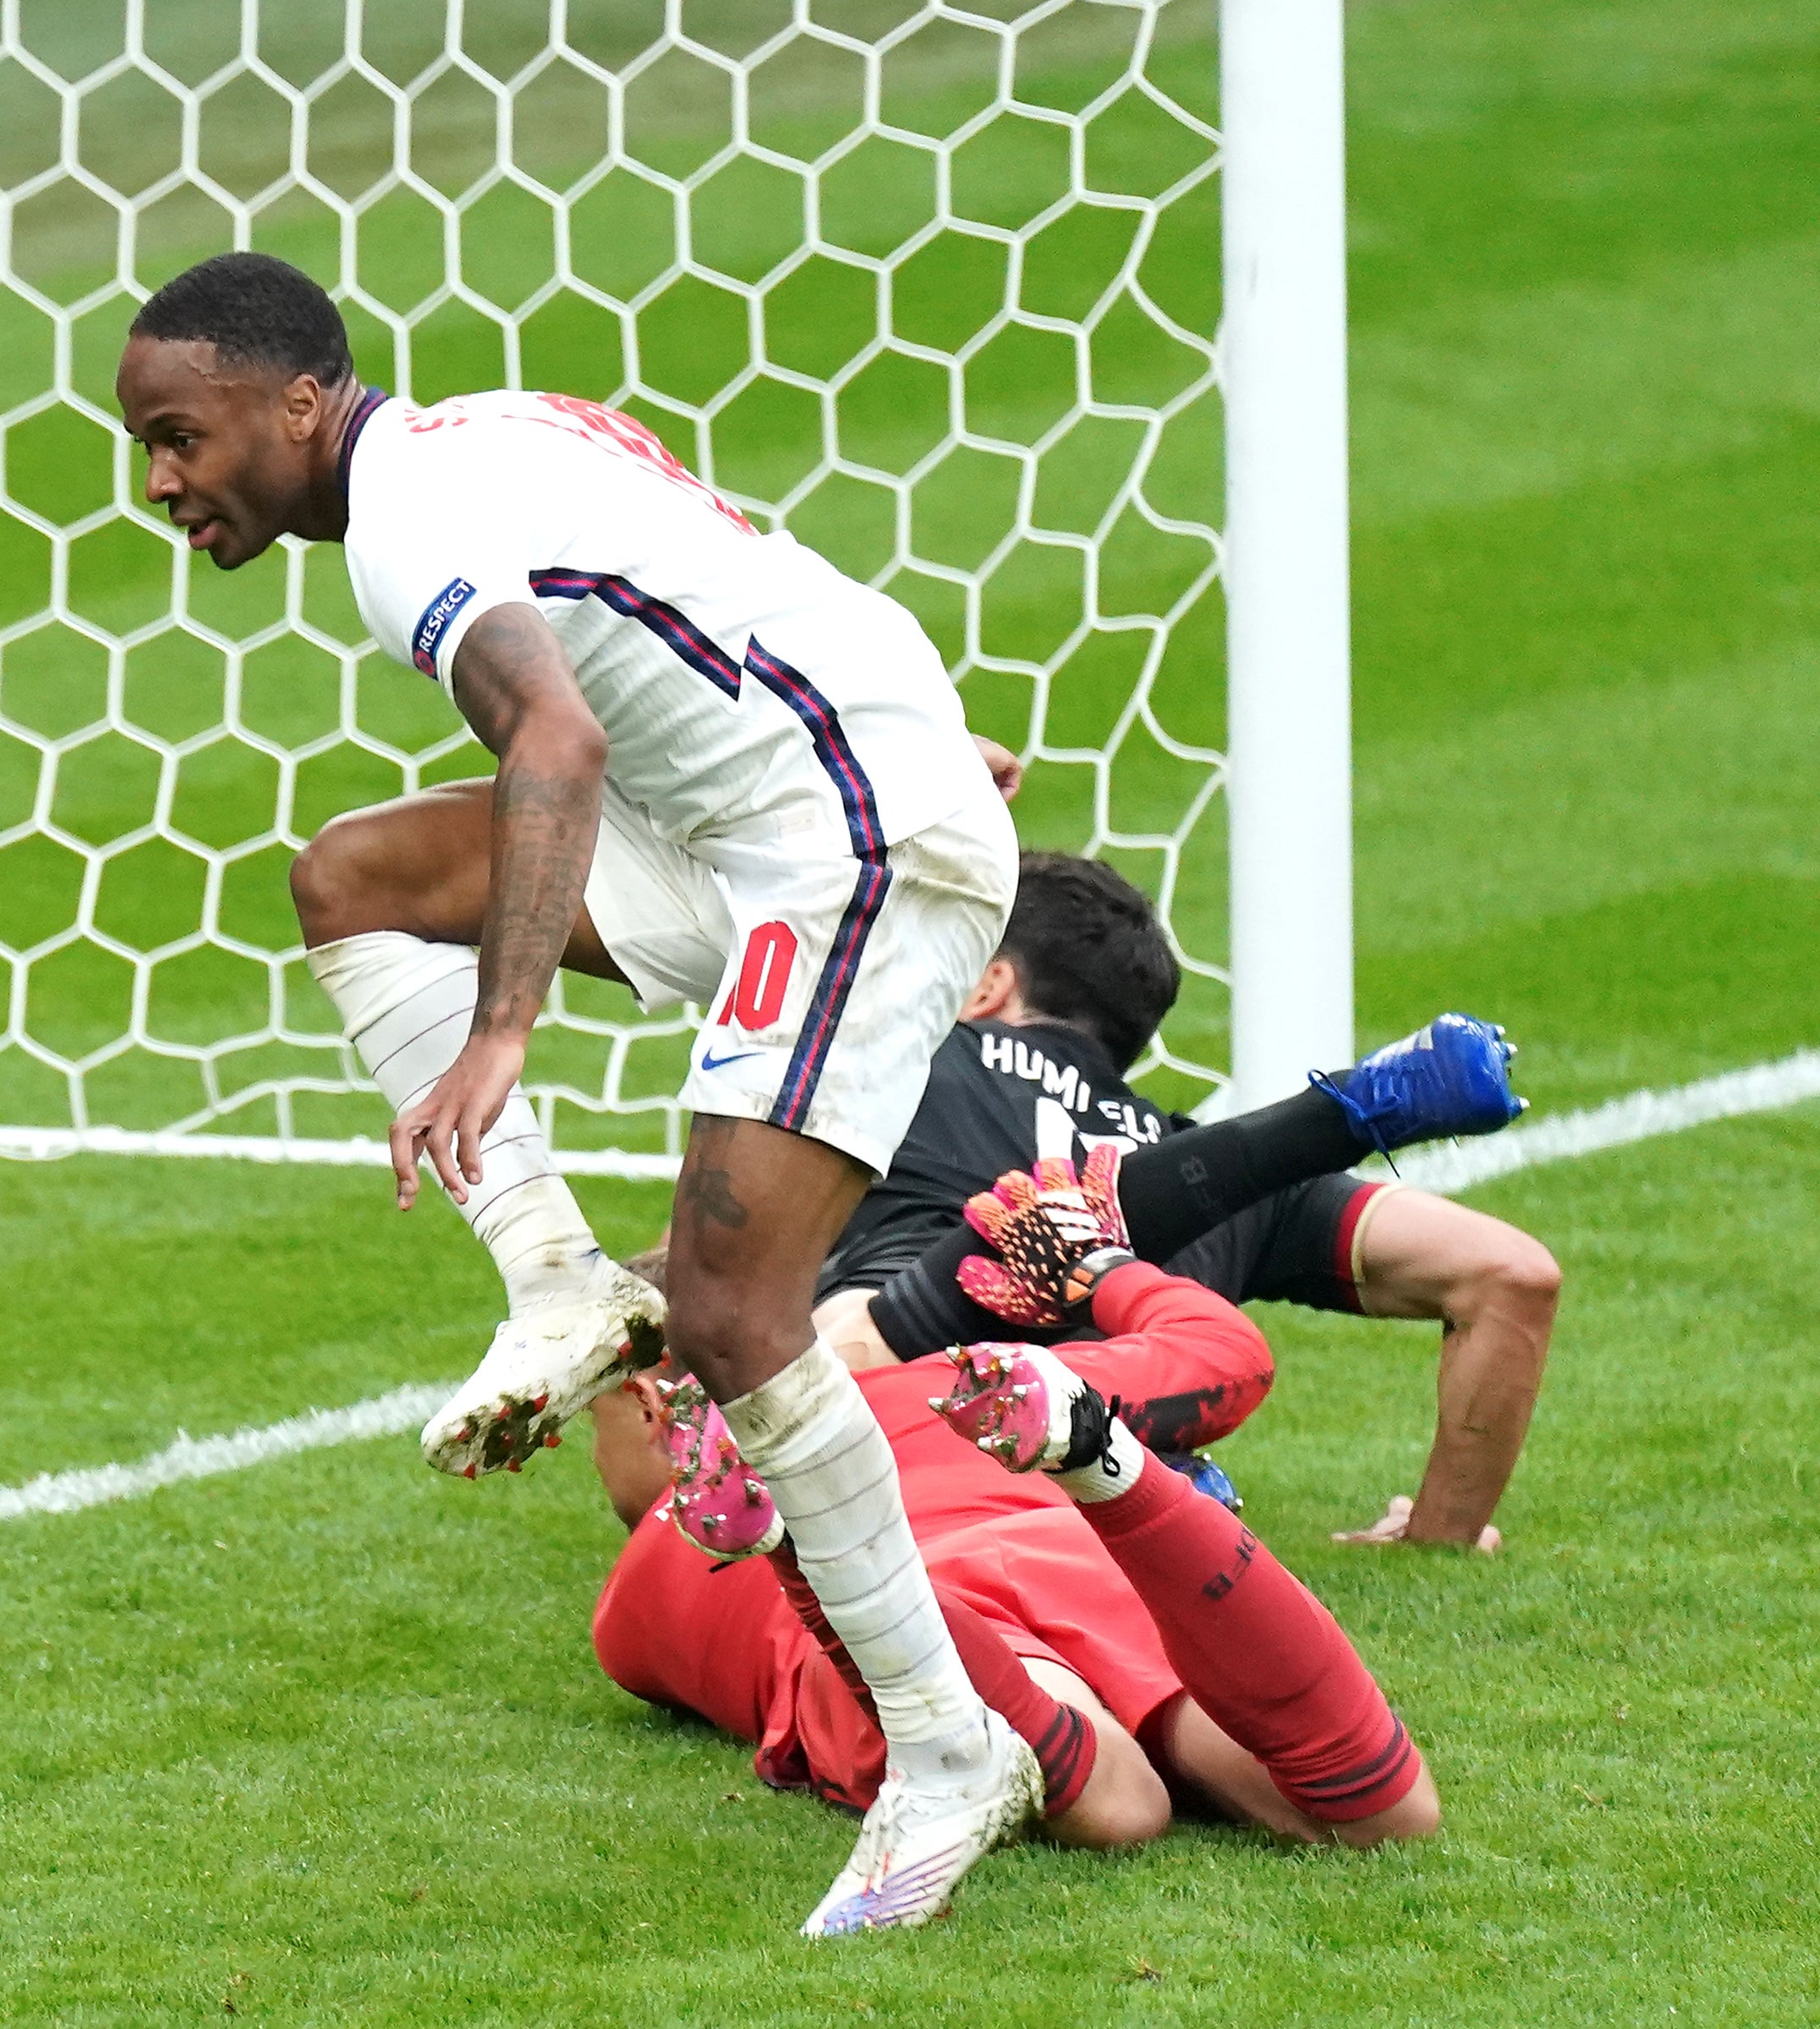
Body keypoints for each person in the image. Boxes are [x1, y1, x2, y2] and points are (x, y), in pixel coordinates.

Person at [117, 251, 1040, 1932]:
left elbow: (552, 739)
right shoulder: (487, 429)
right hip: (776, 805)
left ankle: (945, 1747)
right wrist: (910, 709)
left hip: (839, 845)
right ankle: (554, 1285)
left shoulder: (402, 526)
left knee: (736, 1315)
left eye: (180, 436)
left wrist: (501, 1026)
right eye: (146, 451)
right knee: (352, 879)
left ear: (298, 400)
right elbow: (728, 569)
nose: (162, 482)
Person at [585, 1250, 1440, 1862]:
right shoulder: (960, 1384)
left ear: (646, 1404)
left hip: (912, 1619)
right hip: (1069, 1556)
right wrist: (1098, 1265)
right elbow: (1229, 1355)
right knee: (1385, 1815)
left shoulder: (639, 1594)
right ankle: (1109, 1470)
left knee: (1116, 1804)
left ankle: (805, 1550)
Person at [813, 852, 1555, 1549]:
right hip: (1114, 1462)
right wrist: (1442, 1535)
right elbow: (1511, 1275)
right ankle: (1126, 1465)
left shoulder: (908, 1051)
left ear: (987, 986)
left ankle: (1331, 1121)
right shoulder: (1201, 1168)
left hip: (899, 1437)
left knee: (804, 1344)